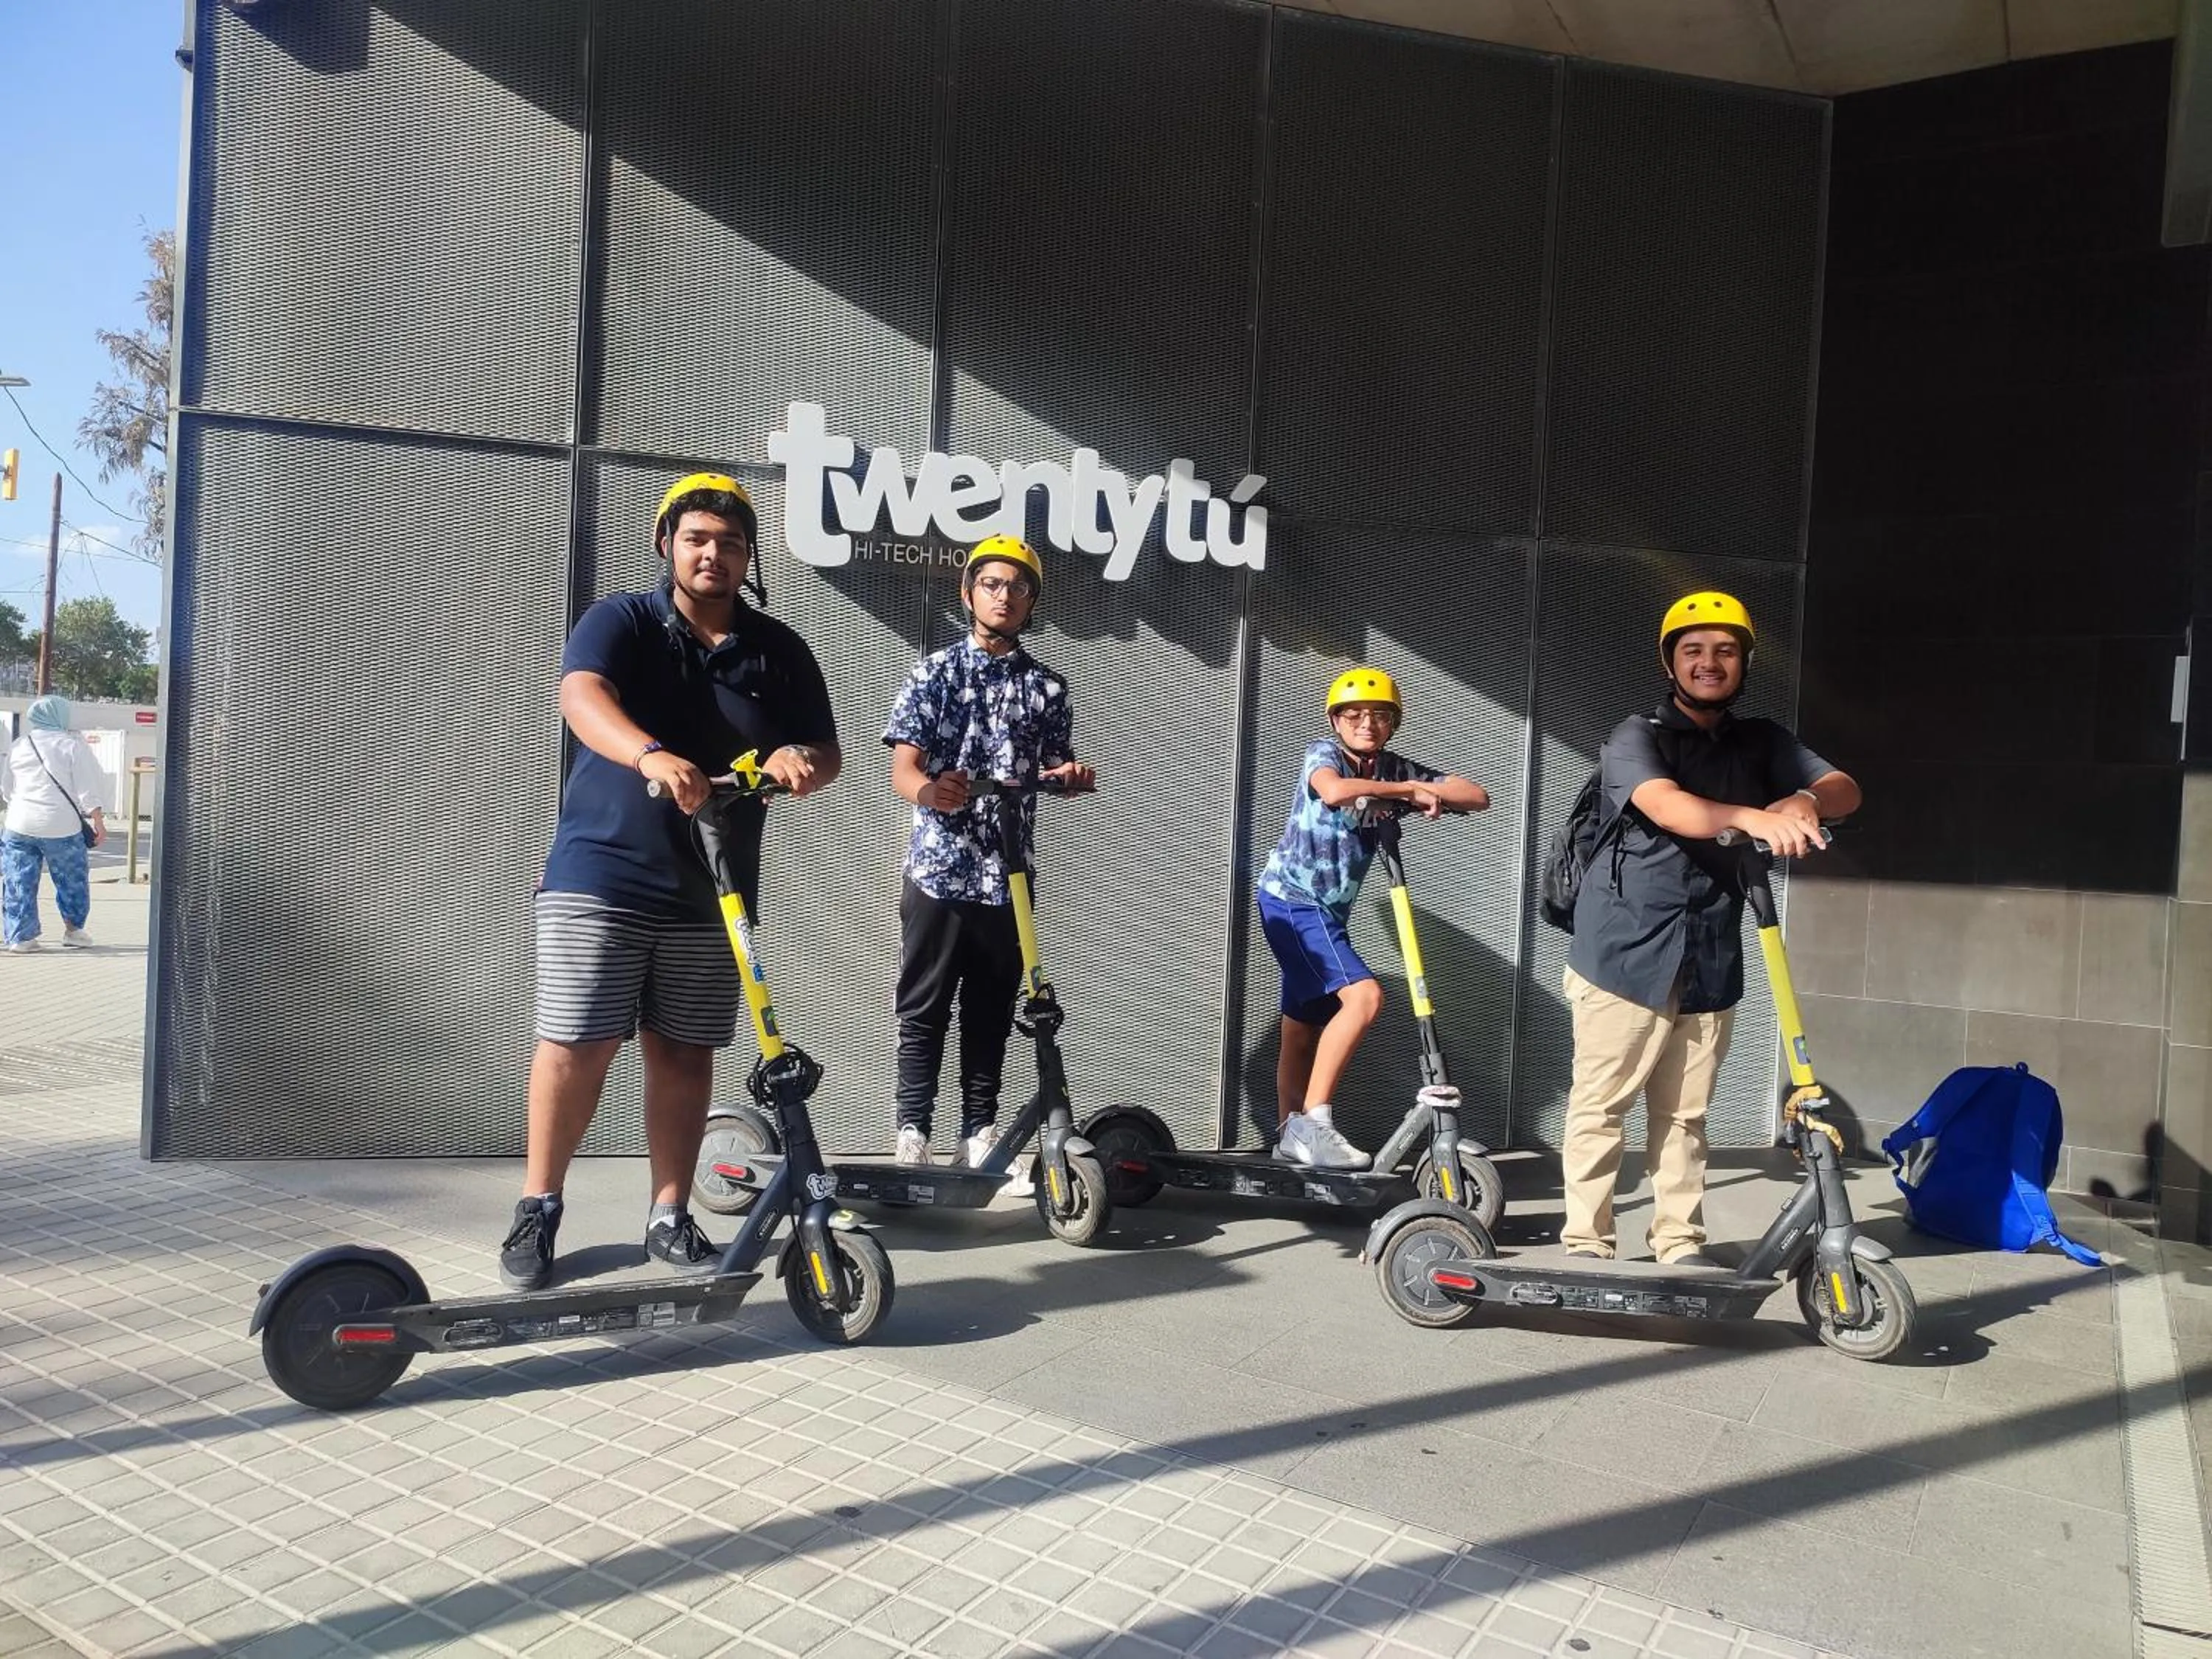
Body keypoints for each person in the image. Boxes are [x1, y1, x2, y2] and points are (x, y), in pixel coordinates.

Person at [501, 473, 841, 1291]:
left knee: (685, 1055)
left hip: (713, 885)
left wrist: (802, 764)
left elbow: (825, 752)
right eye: (696, 538)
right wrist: (649, 753)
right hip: (601, 873)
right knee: (575, 1046)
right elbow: (579, 697)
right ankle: (538, 1207)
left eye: (729, 543)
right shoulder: (622, 619)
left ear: (748, 556)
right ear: (667, 544)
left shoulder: (777, 650)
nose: (713, 554)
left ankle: (668, 1213)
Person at [1562, 591, 1860, 1265]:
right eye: (1693, 650)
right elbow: (1670, 808)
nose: (1709, 662)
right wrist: (1757, 817)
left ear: (1745, 663)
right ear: (1670, 663)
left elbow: (1845, 787)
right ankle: (1586, 1242)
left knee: (1685, 1116)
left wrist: (1805, 797)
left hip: (1711, 955)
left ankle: (1677, 1241)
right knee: (1601, 1106)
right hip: (1623, 954)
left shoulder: (1763, 741)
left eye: (1726, 651)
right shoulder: (1635, 736)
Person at [884, 534, 1093, 1181]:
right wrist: (930, 793)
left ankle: (979, 1132)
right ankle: (912, 1129)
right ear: (969, 592)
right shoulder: (934, 672)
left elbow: (1055, 765)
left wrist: (1071, 775)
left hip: (1009, 876)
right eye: (993, 584)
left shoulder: (1047, 687)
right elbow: (903, 767)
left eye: (1019, 587)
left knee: (992, 1012)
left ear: (1033, 601)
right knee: (925, 1007)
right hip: (938, 868)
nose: (1005, 596)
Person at [1255, 667, 1489, 1169]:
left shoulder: (1391, 768)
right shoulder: (1324, 754)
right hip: (1294, 900)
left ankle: (1287, 1136)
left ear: (1393, 724)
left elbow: (1476, 795)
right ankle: (1313, 1124)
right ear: (1336, 720)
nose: (1368, 724)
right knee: (1365, 997)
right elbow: (1335, 791)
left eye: (1380, 715)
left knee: (1299, 1028)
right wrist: (1408, 793)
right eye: (1355, 714)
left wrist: (1425, 789)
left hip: (1326, 913)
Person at [2, 696, 108, 953]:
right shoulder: (71, 745)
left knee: (18, 880)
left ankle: (21, 937)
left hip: (19, 823)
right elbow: (87, 788)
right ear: (60, 716)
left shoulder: (19, 745)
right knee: (72, 879)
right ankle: (74, 931)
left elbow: (6, 788)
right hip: (61, 825)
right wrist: (98, 821)